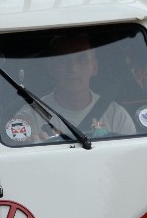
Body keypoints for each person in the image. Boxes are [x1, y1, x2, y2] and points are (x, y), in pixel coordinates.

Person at [7, 34, 136, 142]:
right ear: (51, 67)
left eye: (82, 59)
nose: (72, 68)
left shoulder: (117, 117)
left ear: (94, 67)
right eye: (63, 60)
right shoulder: (31, 116)